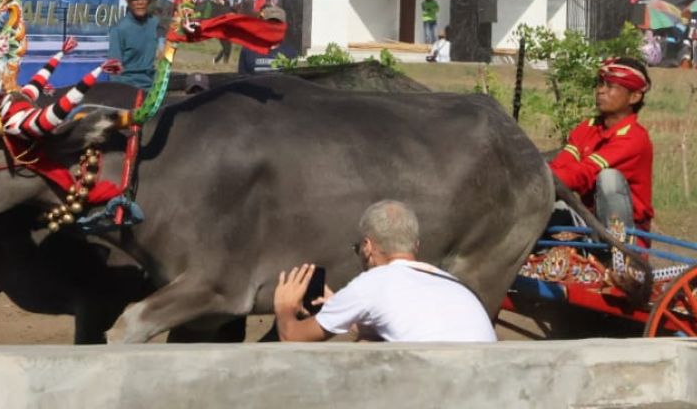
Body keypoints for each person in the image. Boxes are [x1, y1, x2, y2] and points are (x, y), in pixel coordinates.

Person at [272, 200, 496, 343]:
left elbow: (292, 336)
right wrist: (344, 311)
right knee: (371, 341)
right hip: (494, 388)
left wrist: (284, 308)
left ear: (368, 247)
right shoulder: (453, 284)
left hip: (443, 394)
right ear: (415, 245)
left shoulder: (371, 284)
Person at [550, 58, 654, 234]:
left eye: (610, 86)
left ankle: (615, 257)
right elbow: (561, 164)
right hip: (589, 223)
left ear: (634, 96)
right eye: (600, 84)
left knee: (608, 179)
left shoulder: (633, 138)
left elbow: (586, 172)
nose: (600, 91)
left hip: (628, 234)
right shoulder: (588, 127)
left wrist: (540, 181)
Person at [107, 0, 160, 90]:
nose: (140, 2)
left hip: (152, 88)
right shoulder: (119, 29)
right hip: (127, 89)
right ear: (127, 0)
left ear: (149, 0)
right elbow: (114, 71)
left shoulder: (155, 23)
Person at [239, 6, 300, 74]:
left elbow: (291, 81)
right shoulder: (248, 50)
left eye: (278, 24)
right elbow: (241, 80)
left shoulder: (290, 52)